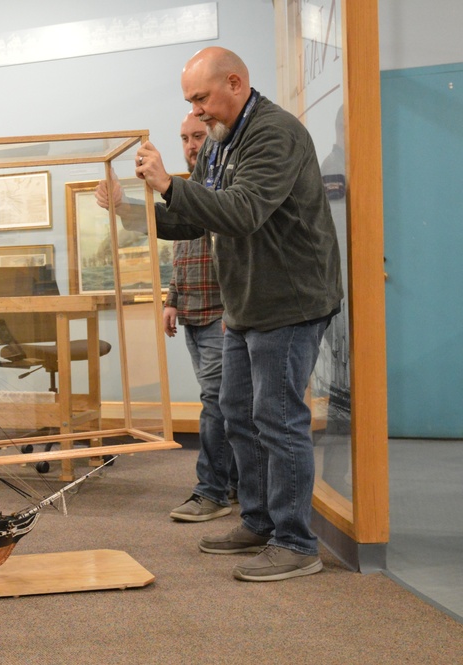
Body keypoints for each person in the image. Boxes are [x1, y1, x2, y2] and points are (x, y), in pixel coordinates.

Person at [97, 46, 342, 582]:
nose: (197, 110)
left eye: (200, 98)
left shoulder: (274, 133)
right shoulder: (221, 143)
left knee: (278, 422)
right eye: (191, 101)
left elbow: (244, 212)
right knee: (237, 414)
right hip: (247, 304)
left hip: (290, 303)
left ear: (235, 82)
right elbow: (194, 219)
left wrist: (166, 183)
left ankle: (297, 543)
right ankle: (257, 523)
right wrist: (127, 208)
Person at [165, 113, 238, 523]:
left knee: (217, 404)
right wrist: (172, 299)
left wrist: (232, 310)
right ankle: (233, 485)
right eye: (185, 139)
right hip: (192, 315)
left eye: (198, 136)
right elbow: (182, 251)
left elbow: (234, 257)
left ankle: (211, 490)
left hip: (219, 317)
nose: (192, 145)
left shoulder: (222, 188)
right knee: (223, 403)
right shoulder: (191, 188)